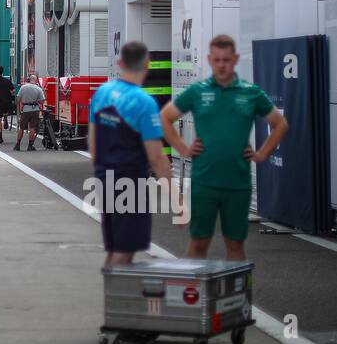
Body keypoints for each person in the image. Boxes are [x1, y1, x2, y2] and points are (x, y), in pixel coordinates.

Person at [160, 34, 288, 261]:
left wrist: (261, 154)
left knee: (235, 246)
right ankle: (194, 295)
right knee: (198, 244)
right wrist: (183, 148)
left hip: (237, 184)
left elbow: (280, 124)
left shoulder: (250, 93)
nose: (221, 65)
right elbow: (165, 117)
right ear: (209, 59)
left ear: (235, 59)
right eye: (217, 60)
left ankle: (236, 298)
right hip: (204, 183)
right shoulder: (198, 91)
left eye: (226, 60)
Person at [89, 41, 175, 266]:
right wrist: (176, 198)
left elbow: (93, 143)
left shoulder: (102, 93)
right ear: (147, 64)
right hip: (130, 180)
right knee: (125, 252)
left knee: (116, 247)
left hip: (104, 177)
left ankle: (113, 297)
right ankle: (117, 300)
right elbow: (156, 157)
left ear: (120, 63)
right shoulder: (144, 102)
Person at [15, 73, 46, 152]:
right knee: (32, 128)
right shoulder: (38, 89)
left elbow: (18, 100)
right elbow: (42, 101)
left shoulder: (23, 87)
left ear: (29, 80)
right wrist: (37, 101)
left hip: (25, 110)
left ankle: (18, 145)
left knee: (21, 127)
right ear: (36, 80)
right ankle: (30, 145)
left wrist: (18, 112)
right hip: (35, 110)